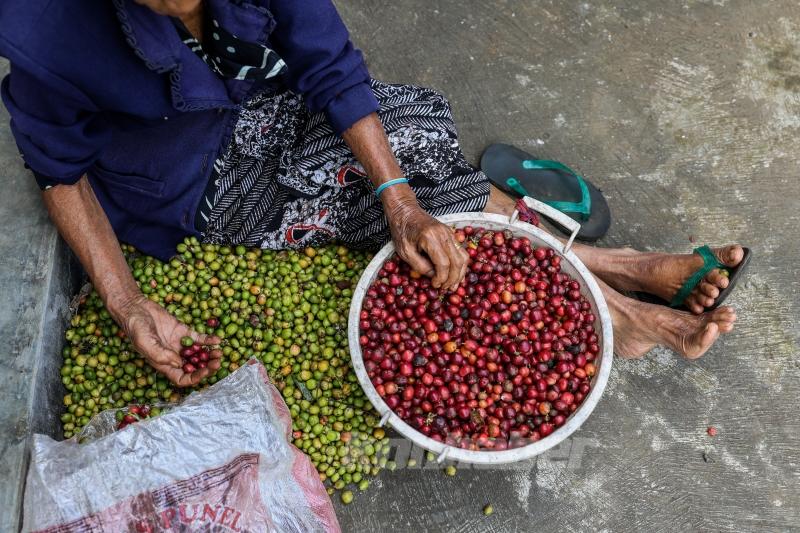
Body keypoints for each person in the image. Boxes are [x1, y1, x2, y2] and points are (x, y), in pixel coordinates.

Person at [0, 0, 743, 387]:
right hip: (191, 175)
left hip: (263, 101)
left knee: (411, 146)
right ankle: (615, 304)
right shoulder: (50, 29)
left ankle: (614, 270)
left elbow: (329, 65)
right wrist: (128, 305)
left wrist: (400, 201)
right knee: (390, 190)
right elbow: (58, 170)